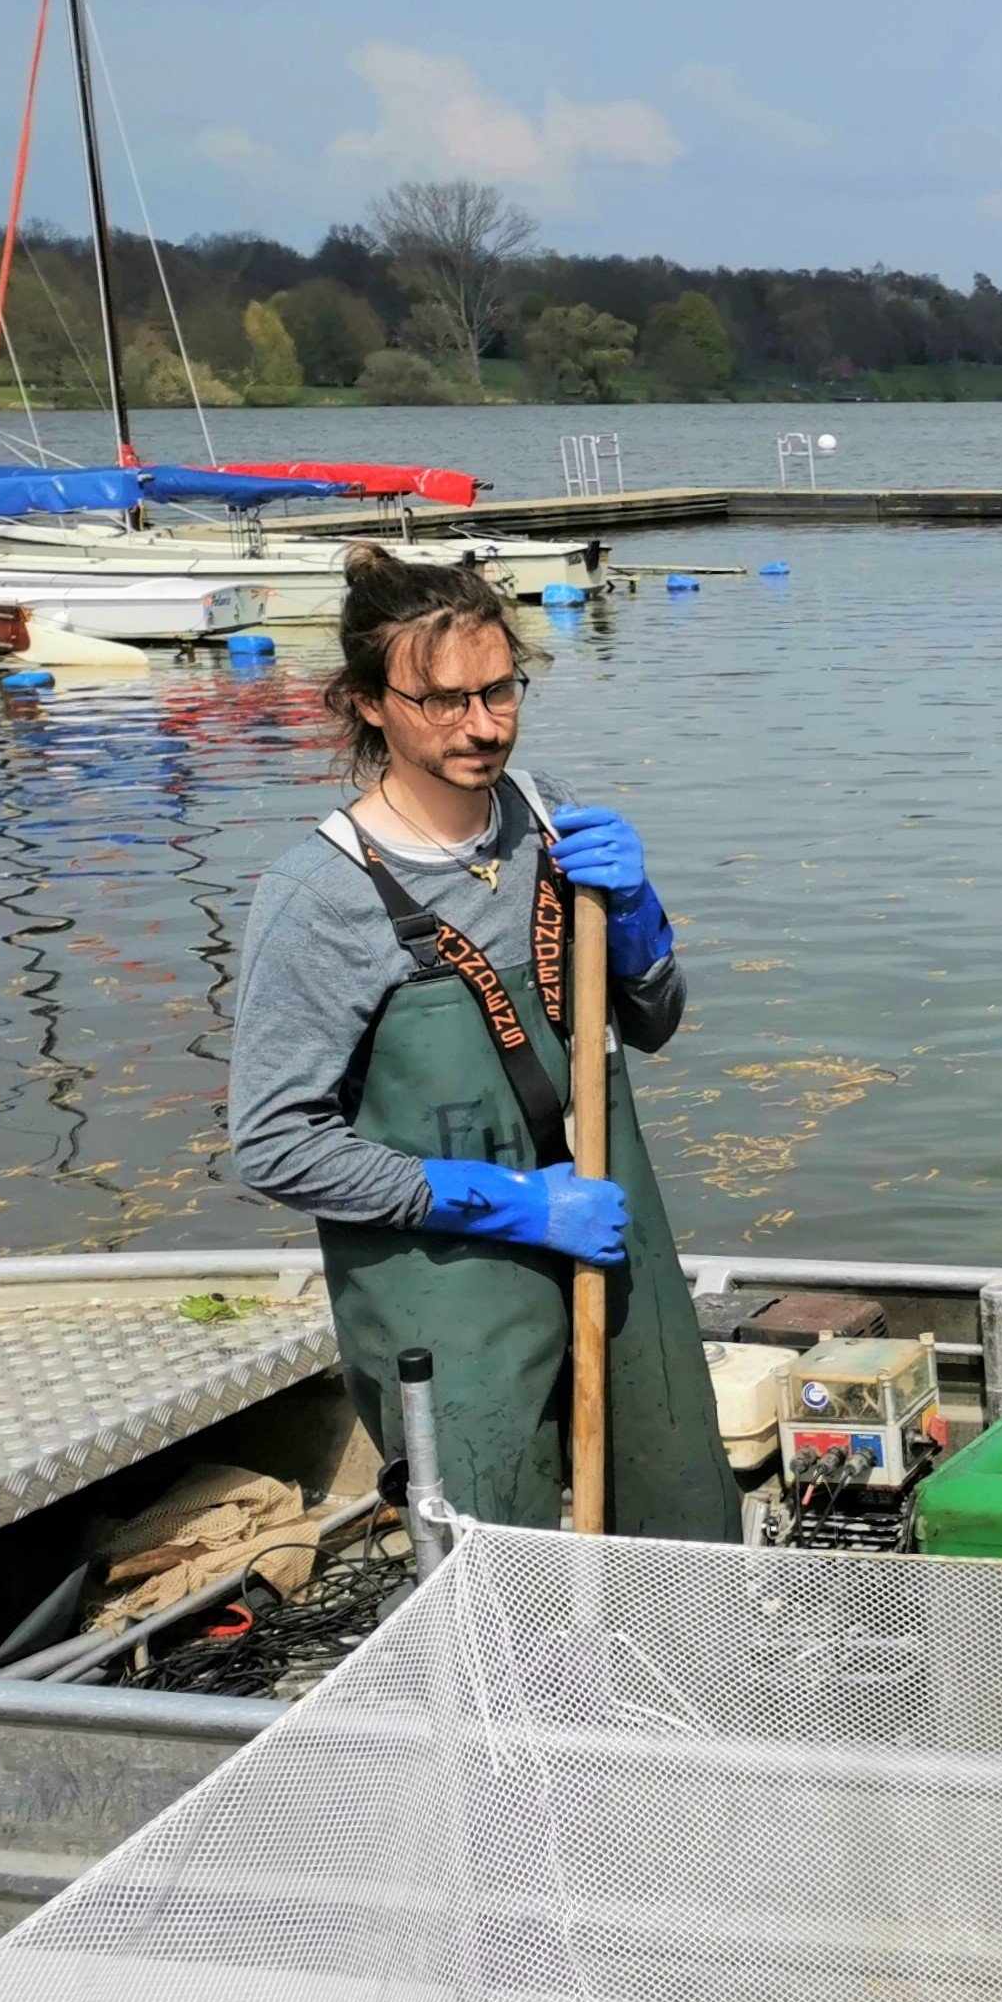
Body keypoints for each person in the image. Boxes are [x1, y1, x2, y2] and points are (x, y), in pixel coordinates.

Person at [229, 551, 735, 1537]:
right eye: (443, 700)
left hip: (608, 1246)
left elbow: (654, 1022)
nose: (483, 725)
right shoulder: (319, 897)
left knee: (679, 1514)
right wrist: (511, 1203)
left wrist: (638, 919)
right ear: (370, 702)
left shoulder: (548, 819)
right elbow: (273, 1143)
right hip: (447, 1289)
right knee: (493, 1561)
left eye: (499, 689)